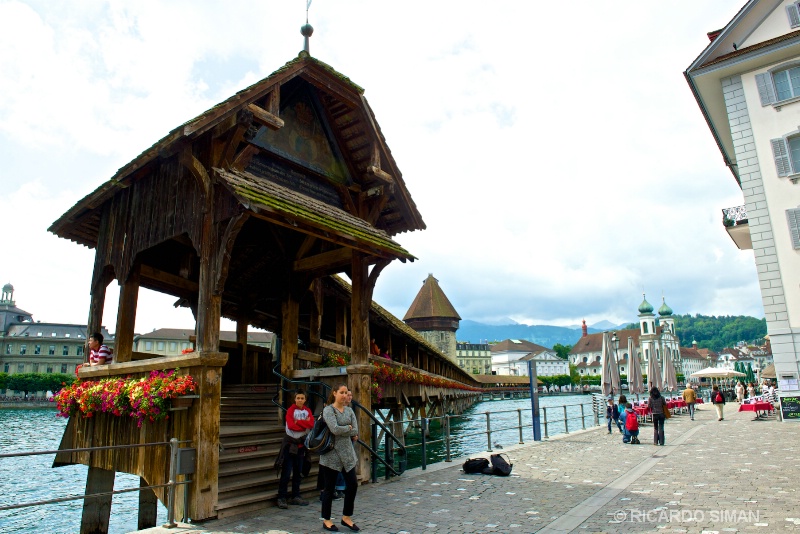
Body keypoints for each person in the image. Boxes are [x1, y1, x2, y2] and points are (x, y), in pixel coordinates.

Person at [320, 384, 360, 532]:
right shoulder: (328, 410)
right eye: (341, 392)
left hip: (348, 455)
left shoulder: (349, 410)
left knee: (353, 484)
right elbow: (334, 429)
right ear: (335, 393)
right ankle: (327, 519)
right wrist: (347, 429)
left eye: (346, 393)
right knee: (329, 489)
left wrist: (348, 429)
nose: (344, 395)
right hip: (331, 455)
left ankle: (346, 517)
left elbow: (355, 430)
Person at [276, 390, 314, 509]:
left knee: (298, 472)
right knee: (286, 473)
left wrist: (299, 422)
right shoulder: (290, 411)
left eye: (302, 398)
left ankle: (296, 495)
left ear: (305, 399)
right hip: (290, 445)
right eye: (298, 398)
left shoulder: (307, 411)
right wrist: (304, 423)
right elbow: (291, 425)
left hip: (301, 446)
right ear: (294, 399)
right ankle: (281, 496)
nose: (300, 400)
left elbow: (311, 424)